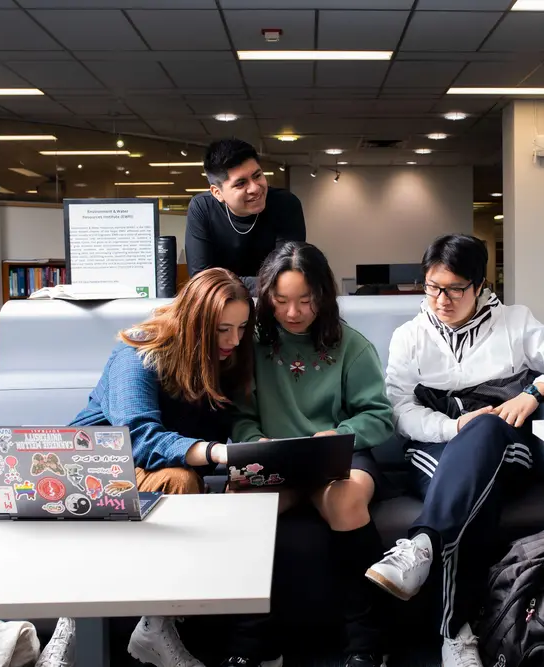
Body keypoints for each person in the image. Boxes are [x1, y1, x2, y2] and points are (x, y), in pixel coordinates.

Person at [364, 234, 544, 667]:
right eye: (433, 286)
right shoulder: (410, 336)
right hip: (435, 445)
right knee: (472, 500)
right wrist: (453, 425)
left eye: (455, 289)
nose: (442, 299)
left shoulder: (514, 322)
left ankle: (421, 545)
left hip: (504, 447)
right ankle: (457, 631)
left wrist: (535, 391)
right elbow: (398, 410)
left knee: (486, 428)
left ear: (480, 285)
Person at [69, 268, 254, 667]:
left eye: (241, 328)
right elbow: (139, 437)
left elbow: (231, 420)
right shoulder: (138, 350)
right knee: (180, 480)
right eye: (223, 329)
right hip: (94, 467)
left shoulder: (226, 356)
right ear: (194, 323)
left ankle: (160, 627)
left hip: (144, 471)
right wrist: (215, 452)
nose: (234, 340)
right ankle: (152, 629)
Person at [228, 241, 394, 667]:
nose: (293, 312)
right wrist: (256, 440)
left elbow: (378, 417)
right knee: (242, 504)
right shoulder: (253, 342)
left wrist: (338, 433)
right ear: (266, 297)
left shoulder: (351, 345)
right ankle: (253, 646)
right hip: (275, 460)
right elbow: (241, 417)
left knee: (346, 497)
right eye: (281, 301)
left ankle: (366, 644)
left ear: (322, 294)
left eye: (305, 300)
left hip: (339, 457)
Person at [185, 138, 306, 294]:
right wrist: (267, 283)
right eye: (240, 183)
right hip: (222, 307)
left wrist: (223, 283)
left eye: (257, 176)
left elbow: (287, 277)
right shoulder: (202, 208)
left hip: (275, 304)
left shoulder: (285, 204)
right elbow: (201, 280)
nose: (255, 188)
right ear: (217, 193)